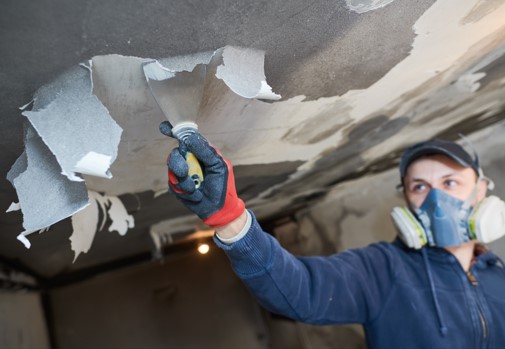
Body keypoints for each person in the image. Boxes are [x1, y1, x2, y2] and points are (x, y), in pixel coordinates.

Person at [162, 122, 505, 349]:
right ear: (406, 201)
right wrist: (231, 221)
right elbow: (303, 291)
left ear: (481, 192)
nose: (435, 200)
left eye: (450, 183)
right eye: (419, 187)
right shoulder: (382, 270)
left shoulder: (498, 274)